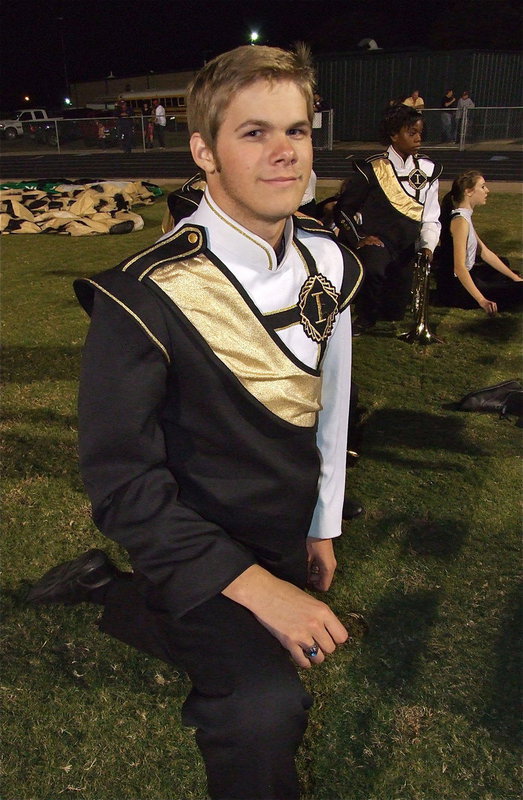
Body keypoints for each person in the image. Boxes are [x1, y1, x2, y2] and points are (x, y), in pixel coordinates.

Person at [27, 44, 364, 800]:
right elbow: (122, 485)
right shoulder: (140, 297)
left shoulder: (330, 262)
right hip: (189, 545)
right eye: (254, 133)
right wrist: (254, 588)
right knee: (264, 705)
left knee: (277, 642)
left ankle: (104, 589)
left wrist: (323, 524)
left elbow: (333, 404)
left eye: (297, 130)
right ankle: (140, 592)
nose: (285, 152)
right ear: (203, 152)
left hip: (284, 533)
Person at [334, 103, 441, 335]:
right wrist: (359, 237)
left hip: (406, 247)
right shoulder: (372, 169)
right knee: (373, 270)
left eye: (420, 133)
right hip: (379, 243)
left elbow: (431, 216)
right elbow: (343, 210)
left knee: (394, 312)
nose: (418, 138)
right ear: (394, 135)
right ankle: (364, 317)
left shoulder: (428, 170)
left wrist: (428, 245)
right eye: (411, 133)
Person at [434, 170, 523, 312]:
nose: (487, 190)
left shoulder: (464, 216)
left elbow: (485, 253)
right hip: (456, 290)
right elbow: (459, 268)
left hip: (467, 278)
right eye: (482, 187)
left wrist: (515, 277)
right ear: (468, 192)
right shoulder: (460, 222)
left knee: (505, 266)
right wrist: (482, 300)